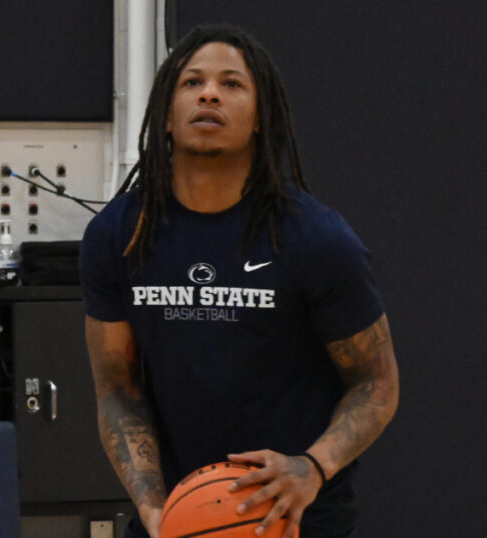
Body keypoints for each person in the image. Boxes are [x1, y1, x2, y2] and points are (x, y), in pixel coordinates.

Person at [79, 24, 399, 538]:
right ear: (165, 113)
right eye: (191, 83)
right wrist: (153, 506)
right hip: (177, 518)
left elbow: (377, 384)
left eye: (232, 84)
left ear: (259, 119)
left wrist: (312, 467)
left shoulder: (315, 239)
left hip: (290, 517)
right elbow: (117, 388)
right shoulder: (119, 235)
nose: (209, 93)